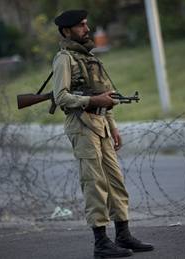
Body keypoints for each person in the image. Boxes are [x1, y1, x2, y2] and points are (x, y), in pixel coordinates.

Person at [52, 9, 154, 258]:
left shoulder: (90, 58)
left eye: (86, 24)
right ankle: (101, 243)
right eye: (81, 26)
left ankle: (123, 235)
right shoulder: (64, 59)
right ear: (67, 31)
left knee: (115, 181)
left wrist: (113, 125)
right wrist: (91, 100)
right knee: (95, 184)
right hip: (82, 126)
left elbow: (105, 96)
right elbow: (61, 96)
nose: (87, 29)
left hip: (102, 126)